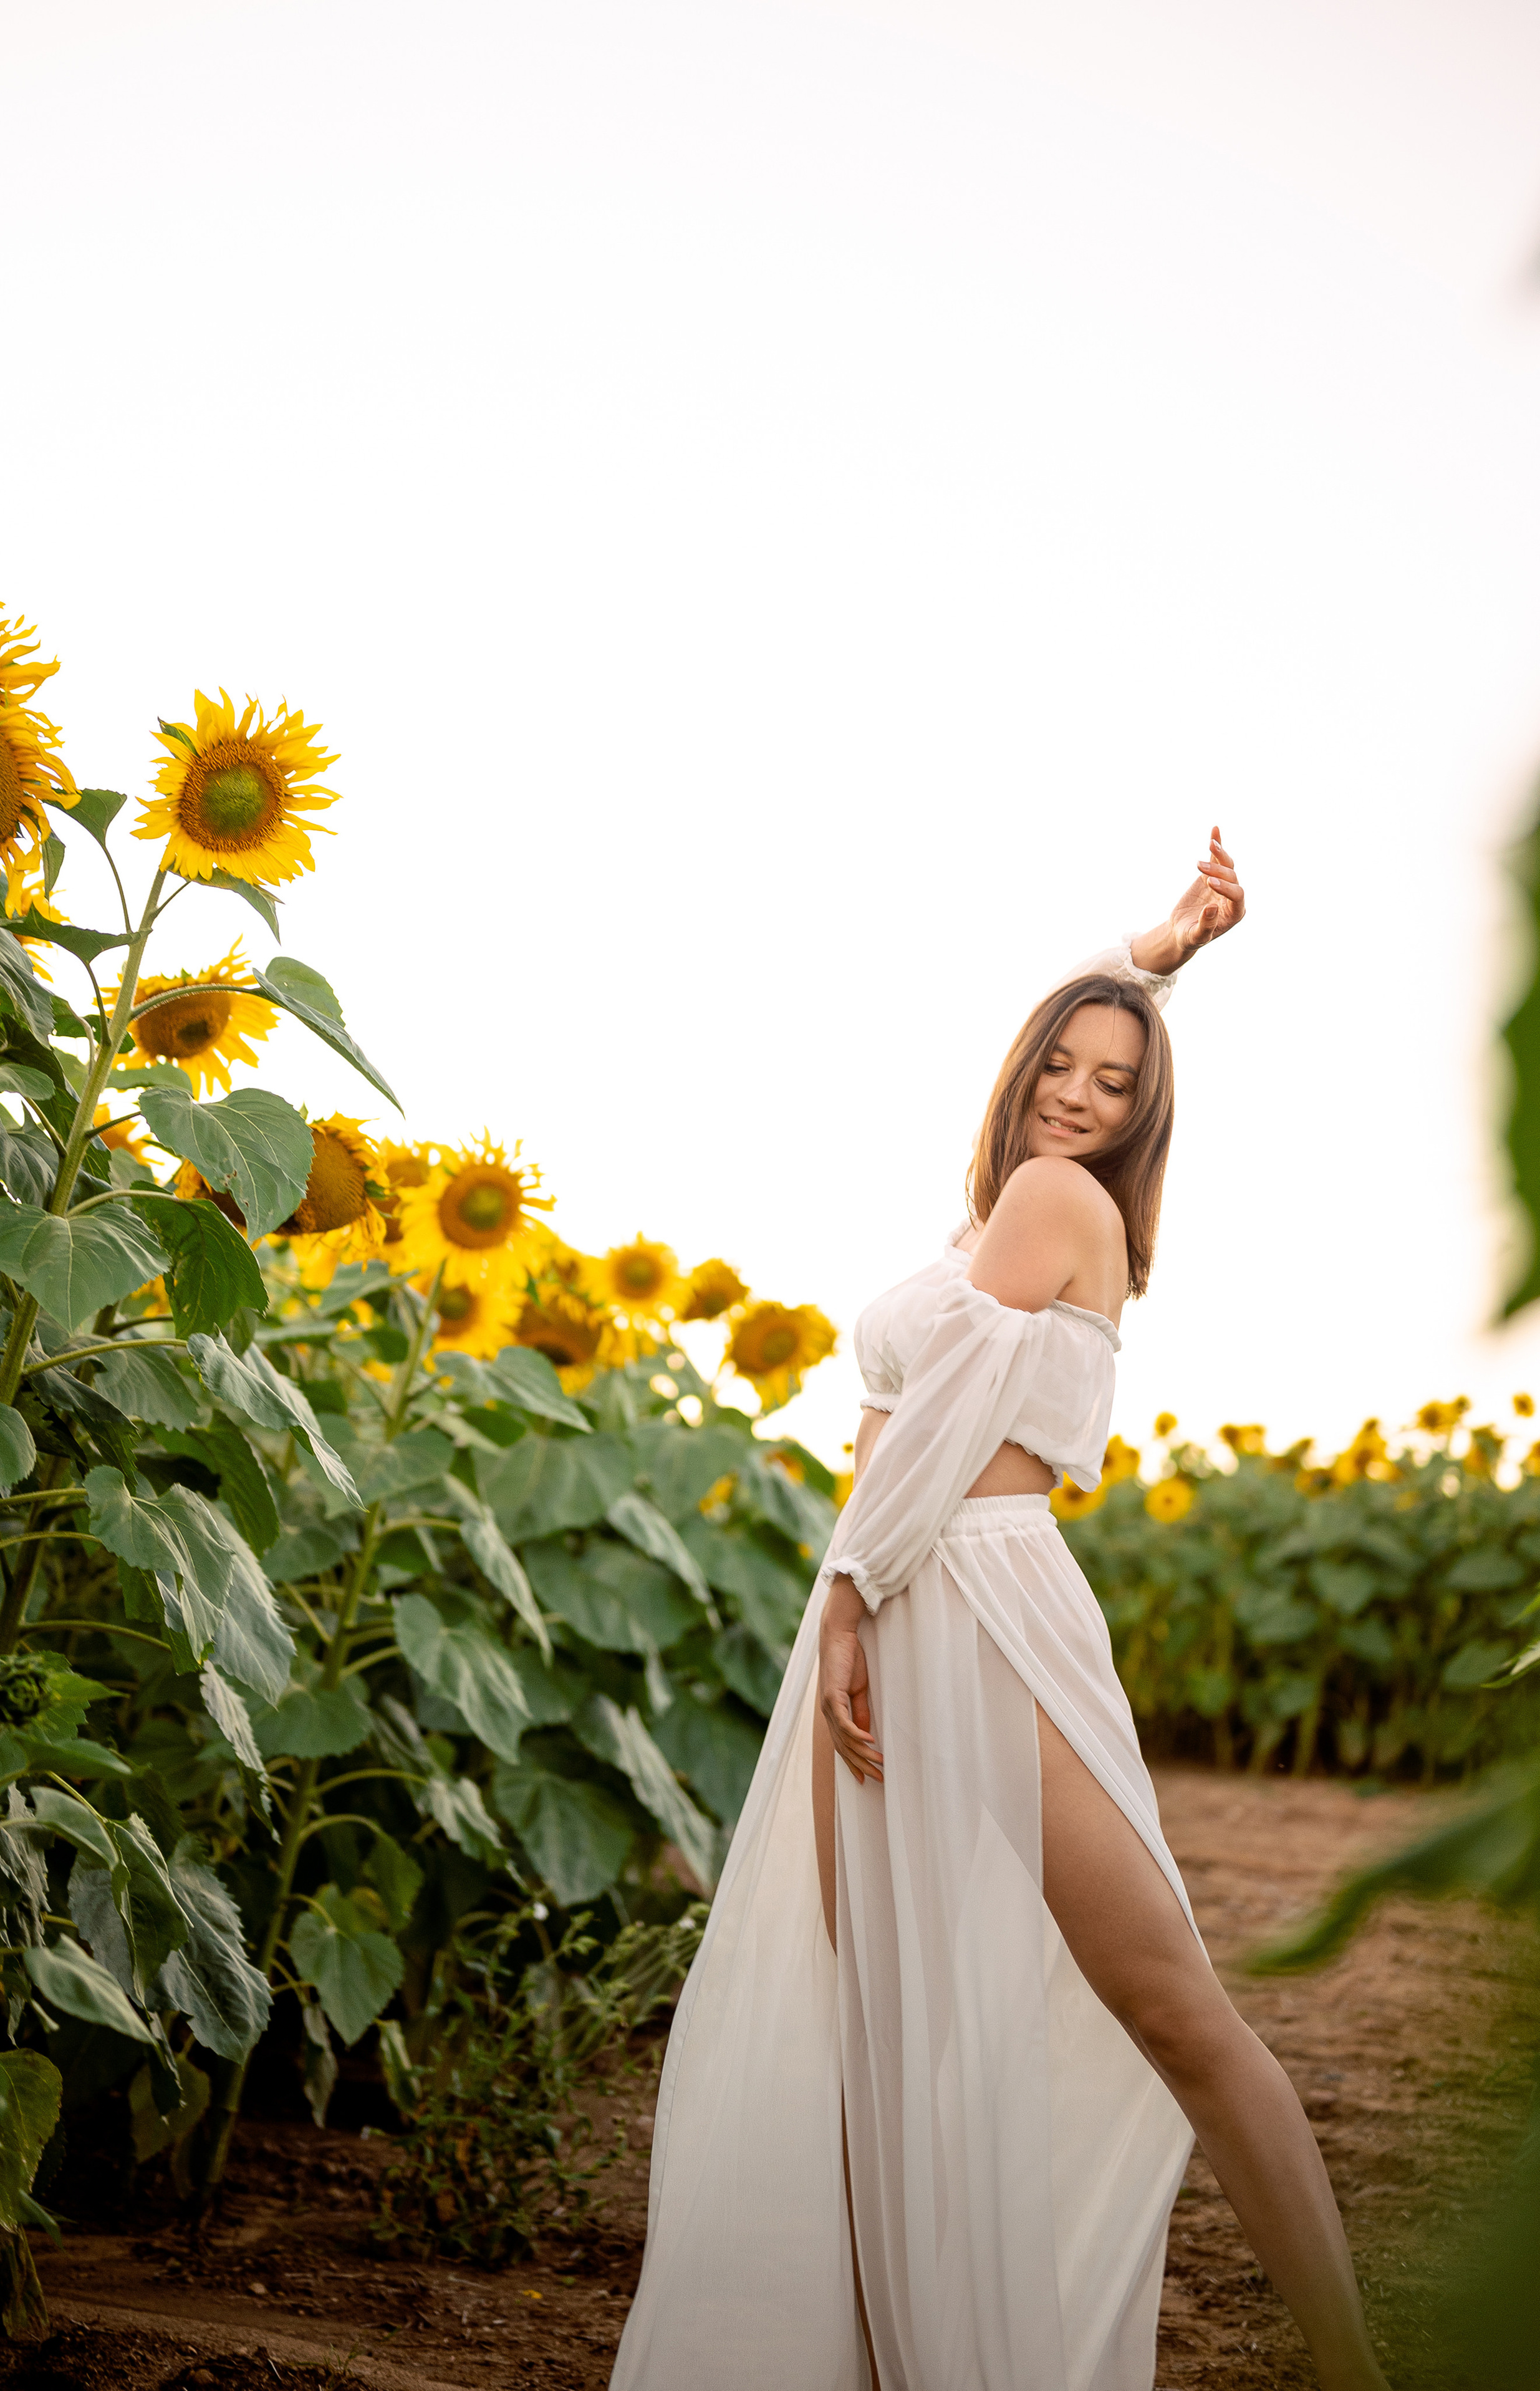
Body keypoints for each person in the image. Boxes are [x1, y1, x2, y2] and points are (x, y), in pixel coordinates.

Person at [610, 833, 1390, 2391]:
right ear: (1028, 1059)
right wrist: (1157, 951)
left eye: (1115, 1083)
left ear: (1137, 1124)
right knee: (862, 2015)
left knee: (1170, 2006)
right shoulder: (991, 1216)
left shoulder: (1052, 1199)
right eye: (1063, 1061)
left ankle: (1355, 2366)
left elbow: (948, 1422)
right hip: (896, 1589)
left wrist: (841, 1597)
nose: (1079, 1093)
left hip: (965, 1594)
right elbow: (914, 1402)